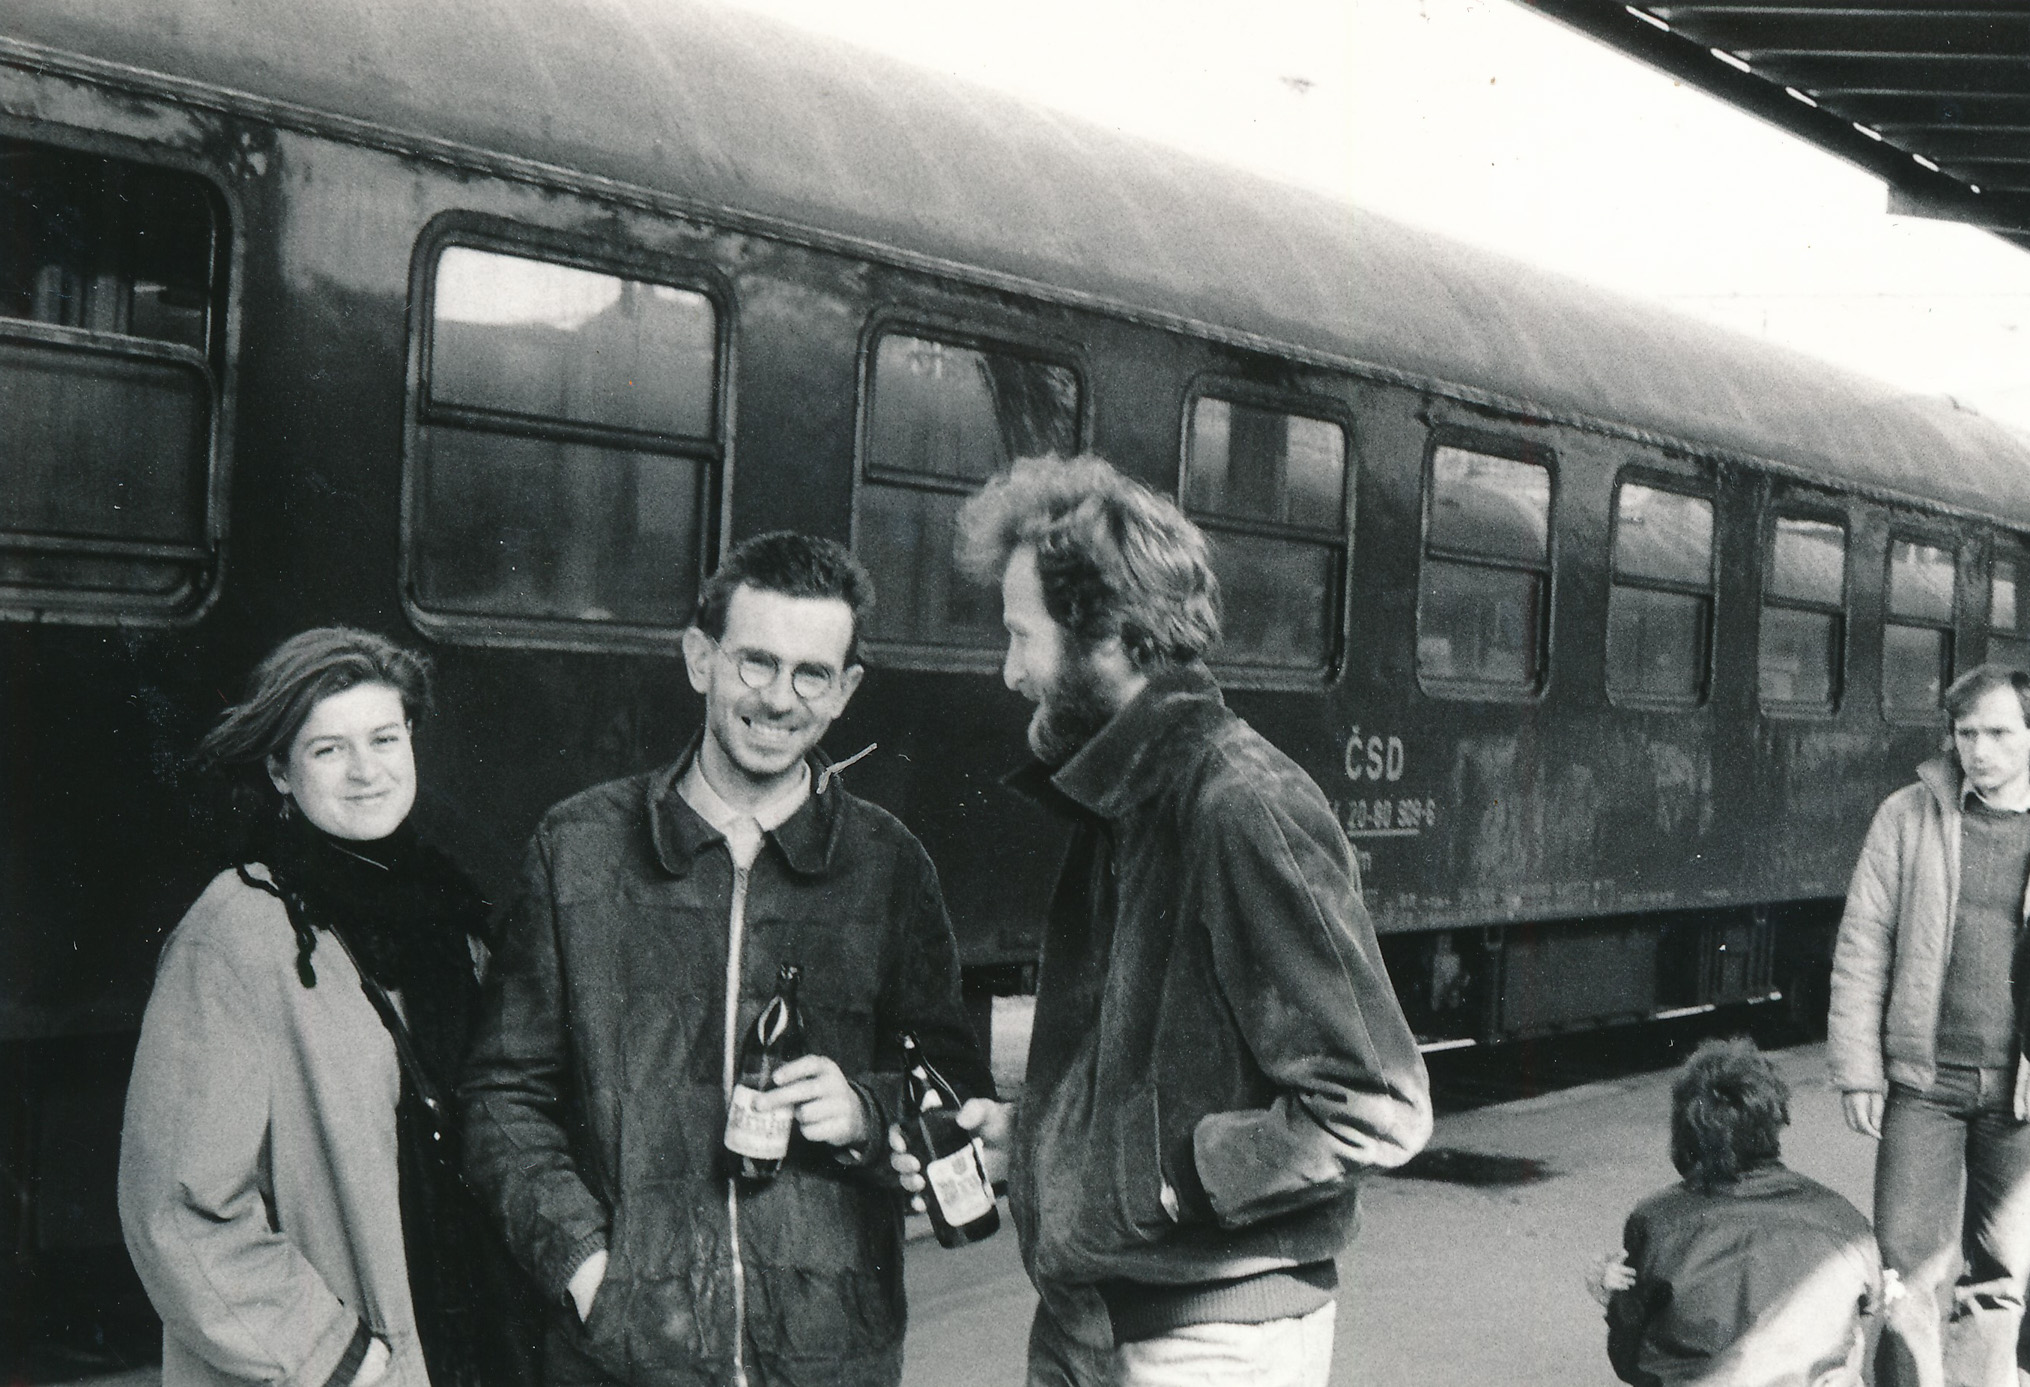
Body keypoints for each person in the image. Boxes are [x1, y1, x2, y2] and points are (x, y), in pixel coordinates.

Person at [906, 454, 1432, 1387]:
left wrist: (1172, 1178)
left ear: (1115, 638)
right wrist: (1037, 1135)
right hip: (1099, 1319)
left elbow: (1375, 1103)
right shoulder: (1127, 801)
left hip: (1205, 1340)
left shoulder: (1240, 805)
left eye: (1023, 637)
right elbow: (1162, 1064)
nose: (1010, 671)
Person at [460, 532, 990, 1387]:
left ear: (846, 690)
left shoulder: (889, 865)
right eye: (756, 662)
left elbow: (956, 1091)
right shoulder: (579, 848)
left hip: (827, 1357)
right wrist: (592, 1272)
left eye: (811, 674)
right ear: (700, 658)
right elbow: (502, 1095)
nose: (779, 699)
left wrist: (863, 1112)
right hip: (626, 1358)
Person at [119, 627, 525, 1387]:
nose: (367, 770)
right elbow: (179, 1209)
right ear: (280, 770)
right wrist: (336, 1358)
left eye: (384, 738)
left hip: (464, 1345)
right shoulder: (237, 933)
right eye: (329, 748)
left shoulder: (448, 919)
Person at [1830, 663, 2030, 1387]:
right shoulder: (1907, 815)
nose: (1978, 750)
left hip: (2027, 1093)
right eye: (1965, 732)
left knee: (2002, 1275)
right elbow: (1864, 942)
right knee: (1904, 1270)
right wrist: (1859, 1068)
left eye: (1998, 733)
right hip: (1925, 1086)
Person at [1591, 1037, 1881, 1386]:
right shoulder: (1843, 1218)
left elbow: (1629, 1360)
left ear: (1686, 1129)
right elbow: (1872, 1314)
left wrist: (1613, 1299)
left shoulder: (1655, 1221)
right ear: (1774, 1121)